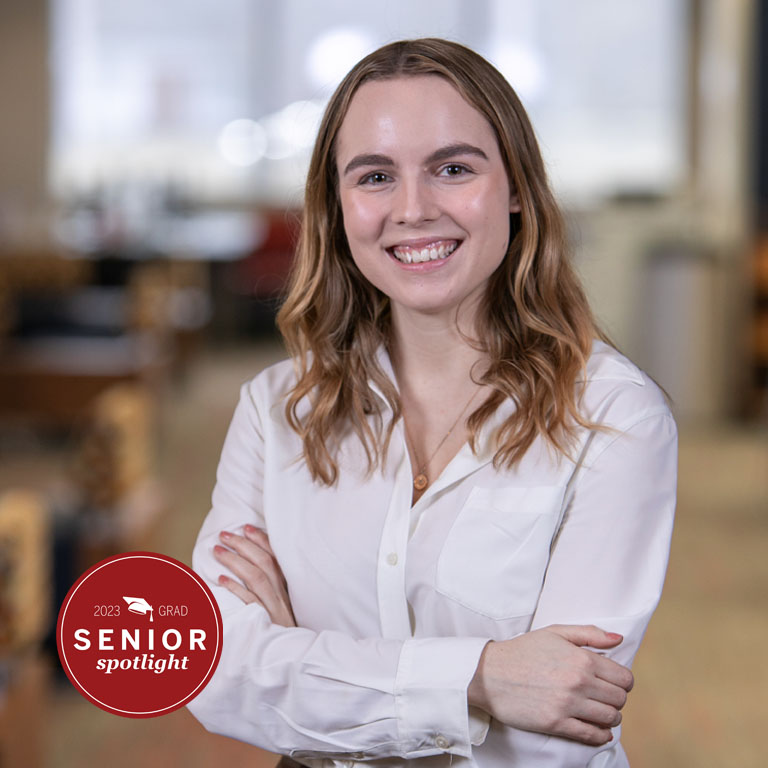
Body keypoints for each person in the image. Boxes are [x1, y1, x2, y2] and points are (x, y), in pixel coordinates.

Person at [187, 38, 677, 767]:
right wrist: (481, 676)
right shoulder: (275, 410)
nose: (412, 209)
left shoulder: (614, 420)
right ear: (338, 205)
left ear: (515, 188)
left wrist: (304, 658)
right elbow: (215, 671)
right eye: (375, 176)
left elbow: (551, 736)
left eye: (452, 169)